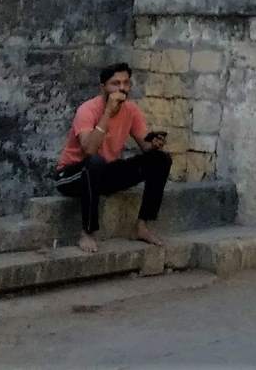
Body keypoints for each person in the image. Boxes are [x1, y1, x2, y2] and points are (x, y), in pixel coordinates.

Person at [54, 62, 171, 254]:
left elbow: (145, 146)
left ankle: (142, 226)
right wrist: (108, 112)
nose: (122, 88)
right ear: (103, 87)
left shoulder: (131, 110)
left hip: (104, 174)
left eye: (126, 83)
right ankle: (87, 232)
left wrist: (154, 144)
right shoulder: (88, 110)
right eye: (115, 84)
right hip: (72, 175)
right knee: (95, 162)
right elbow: (89, 150)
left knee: (160, 159)